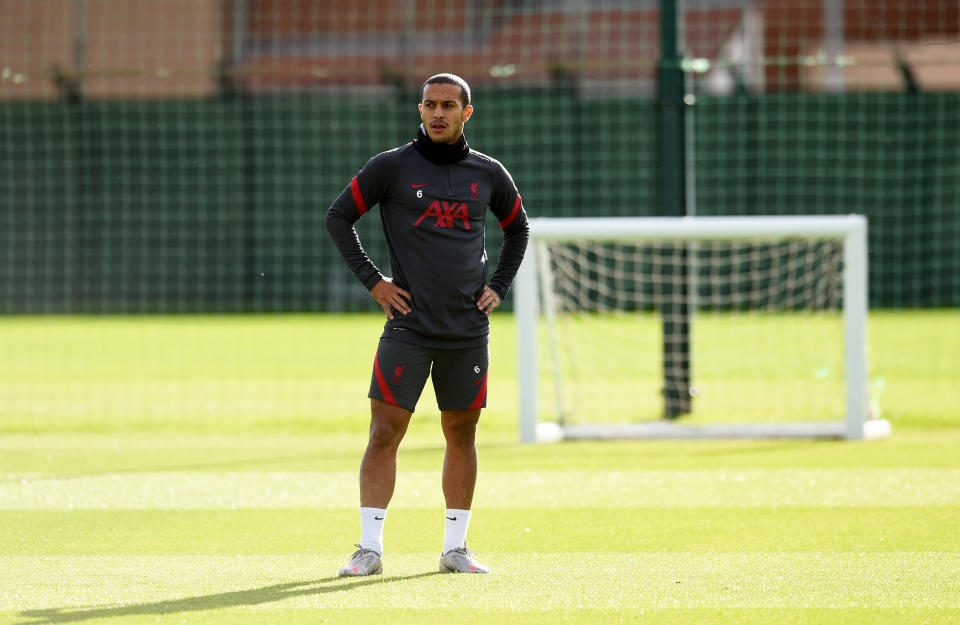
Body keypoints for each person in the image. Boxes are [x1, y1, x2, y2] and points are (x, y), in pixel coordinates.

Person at [325, 73, 529, 575]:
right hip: (408, 327)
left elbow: (518, 228)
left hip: (467, 329)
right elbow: (338, 217)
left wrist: (498, 286)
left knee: (462, 433)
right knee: (384, 431)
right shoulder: (392, 167)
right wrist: (375, 283)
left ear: (466, 113)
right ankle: (369, 549)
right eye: (429, 104)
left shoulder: (488, 174)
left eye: (448, 105)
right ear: (419, 110)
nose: (438, 113)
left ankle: (455, 549)